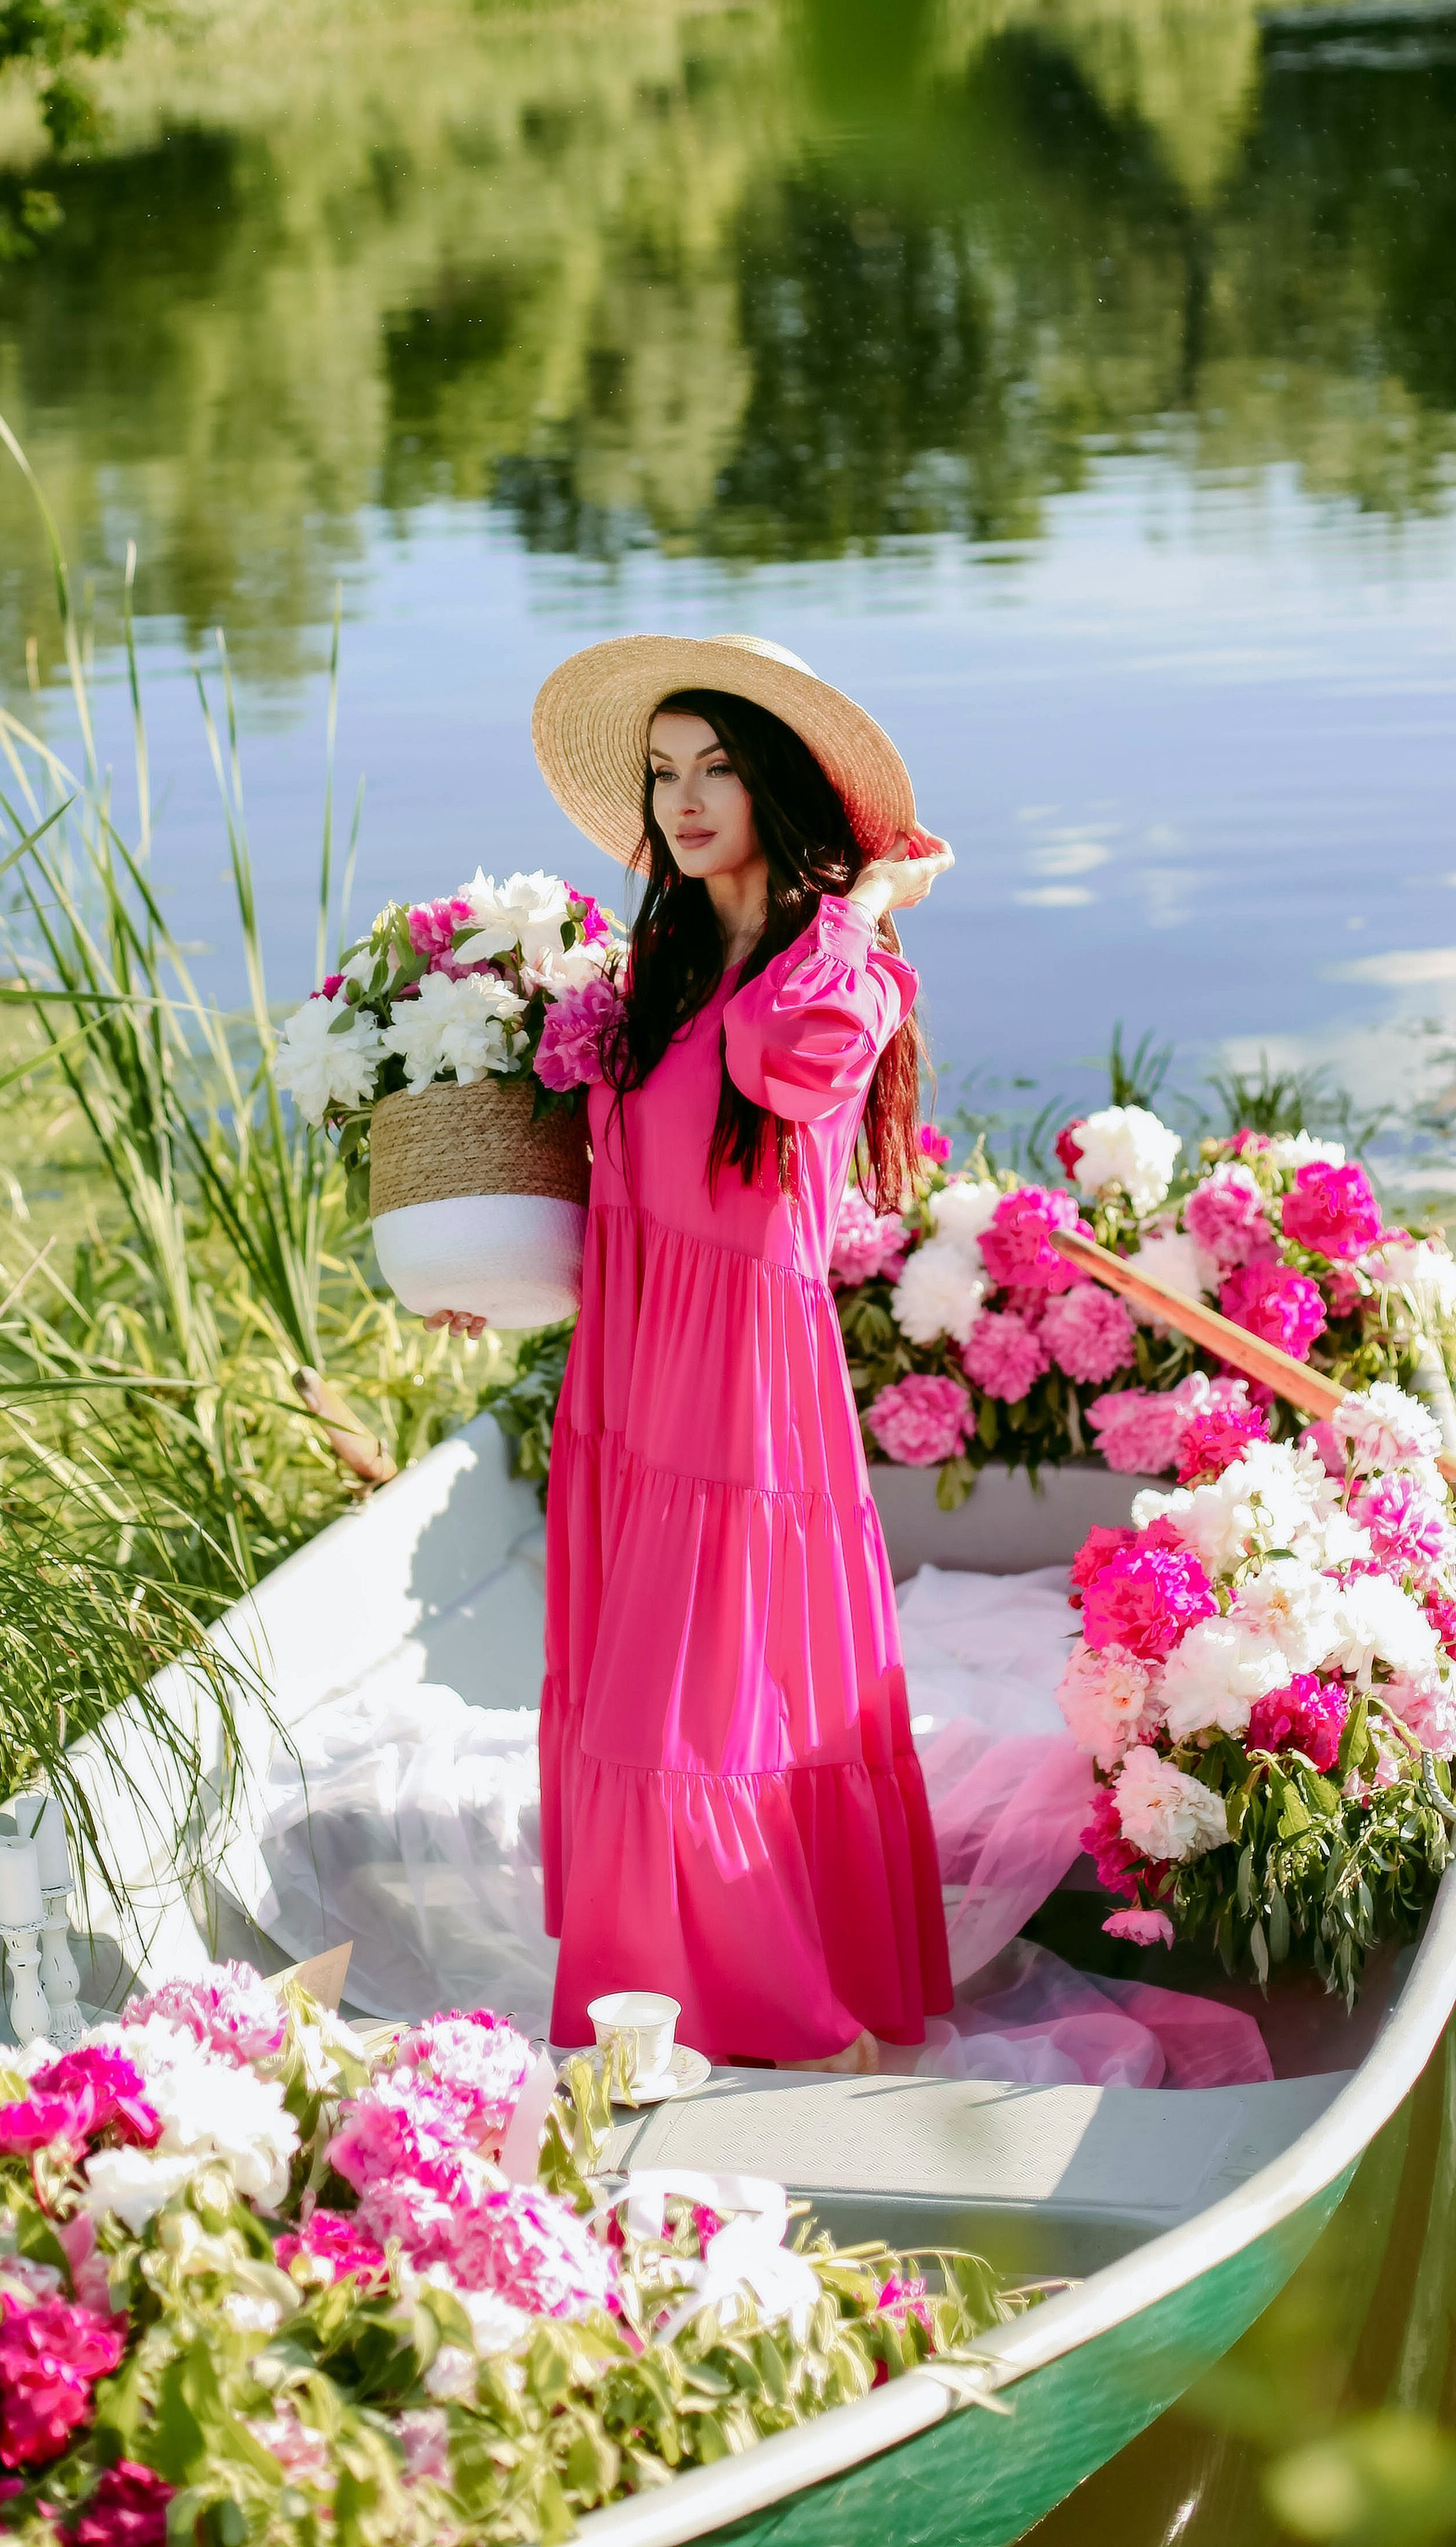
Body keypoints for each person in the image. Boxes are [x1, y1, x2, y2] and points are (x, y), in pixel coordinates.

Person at [515, 629, 954, 2070]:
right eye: (661, 773)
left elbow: (798, 1054)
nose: (685, 800)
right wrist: (501, 1269)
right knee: (645, 1684)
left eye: (715, 769)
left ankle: (754, 2001)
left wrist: (871, 896)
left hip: (739, 1394)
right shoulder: (666, 970)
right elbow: (627, 1184)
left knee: (680, 1703)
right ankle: (680, 1982)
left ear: (776, 787)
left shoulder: (840, 979)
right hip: (630, 1377)